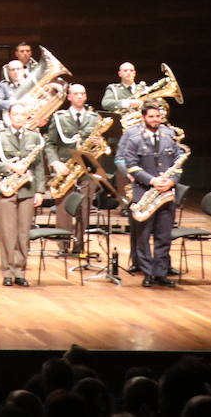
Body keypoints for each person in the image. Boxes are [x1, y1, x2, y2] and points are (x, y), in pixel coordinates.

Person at [115, 101, 185, 288]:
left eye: (158, 117)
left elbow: (178, 161)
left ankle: (161, 273)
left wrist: (172, 181)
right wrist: (152, 181)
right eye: (151, 117)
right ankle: (147, 273)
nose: (155, 120)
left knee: (163, 235)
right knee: (143, 237)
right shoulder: (134, 138)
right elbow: (131, 165)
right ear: (143, 117)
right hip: (144, 192)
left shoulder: (170, 136)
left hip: (166, 192)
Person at [0, 102, 45, 287]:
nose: (19, 117)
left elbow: (39, 166)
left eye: (22, 114)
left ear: (27, 116)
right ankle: (8, 271)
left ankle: (20, 271)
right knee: (7, 233)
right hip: (7, 189)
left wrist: (40, 191)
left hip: (27, 190)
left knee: (23, 233)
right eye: (15, 114)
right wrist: (10, 166)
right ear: (9, 116)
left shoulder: (35, 136)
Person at [43, 84, 104, 246]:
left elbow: (98, 145)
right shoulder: (59, 117)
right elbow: (49, 144)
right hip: (65, 168)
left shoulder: (94, 118)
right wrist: (55, 163)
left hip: (86, 169)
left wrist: (100, 142)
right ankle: (63, 245)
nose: (80, 96)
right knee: (63, 209)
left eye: (82, 93)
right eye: (76, 94)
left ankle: (79, 246)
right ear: (69, 97)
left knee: (84, 208)